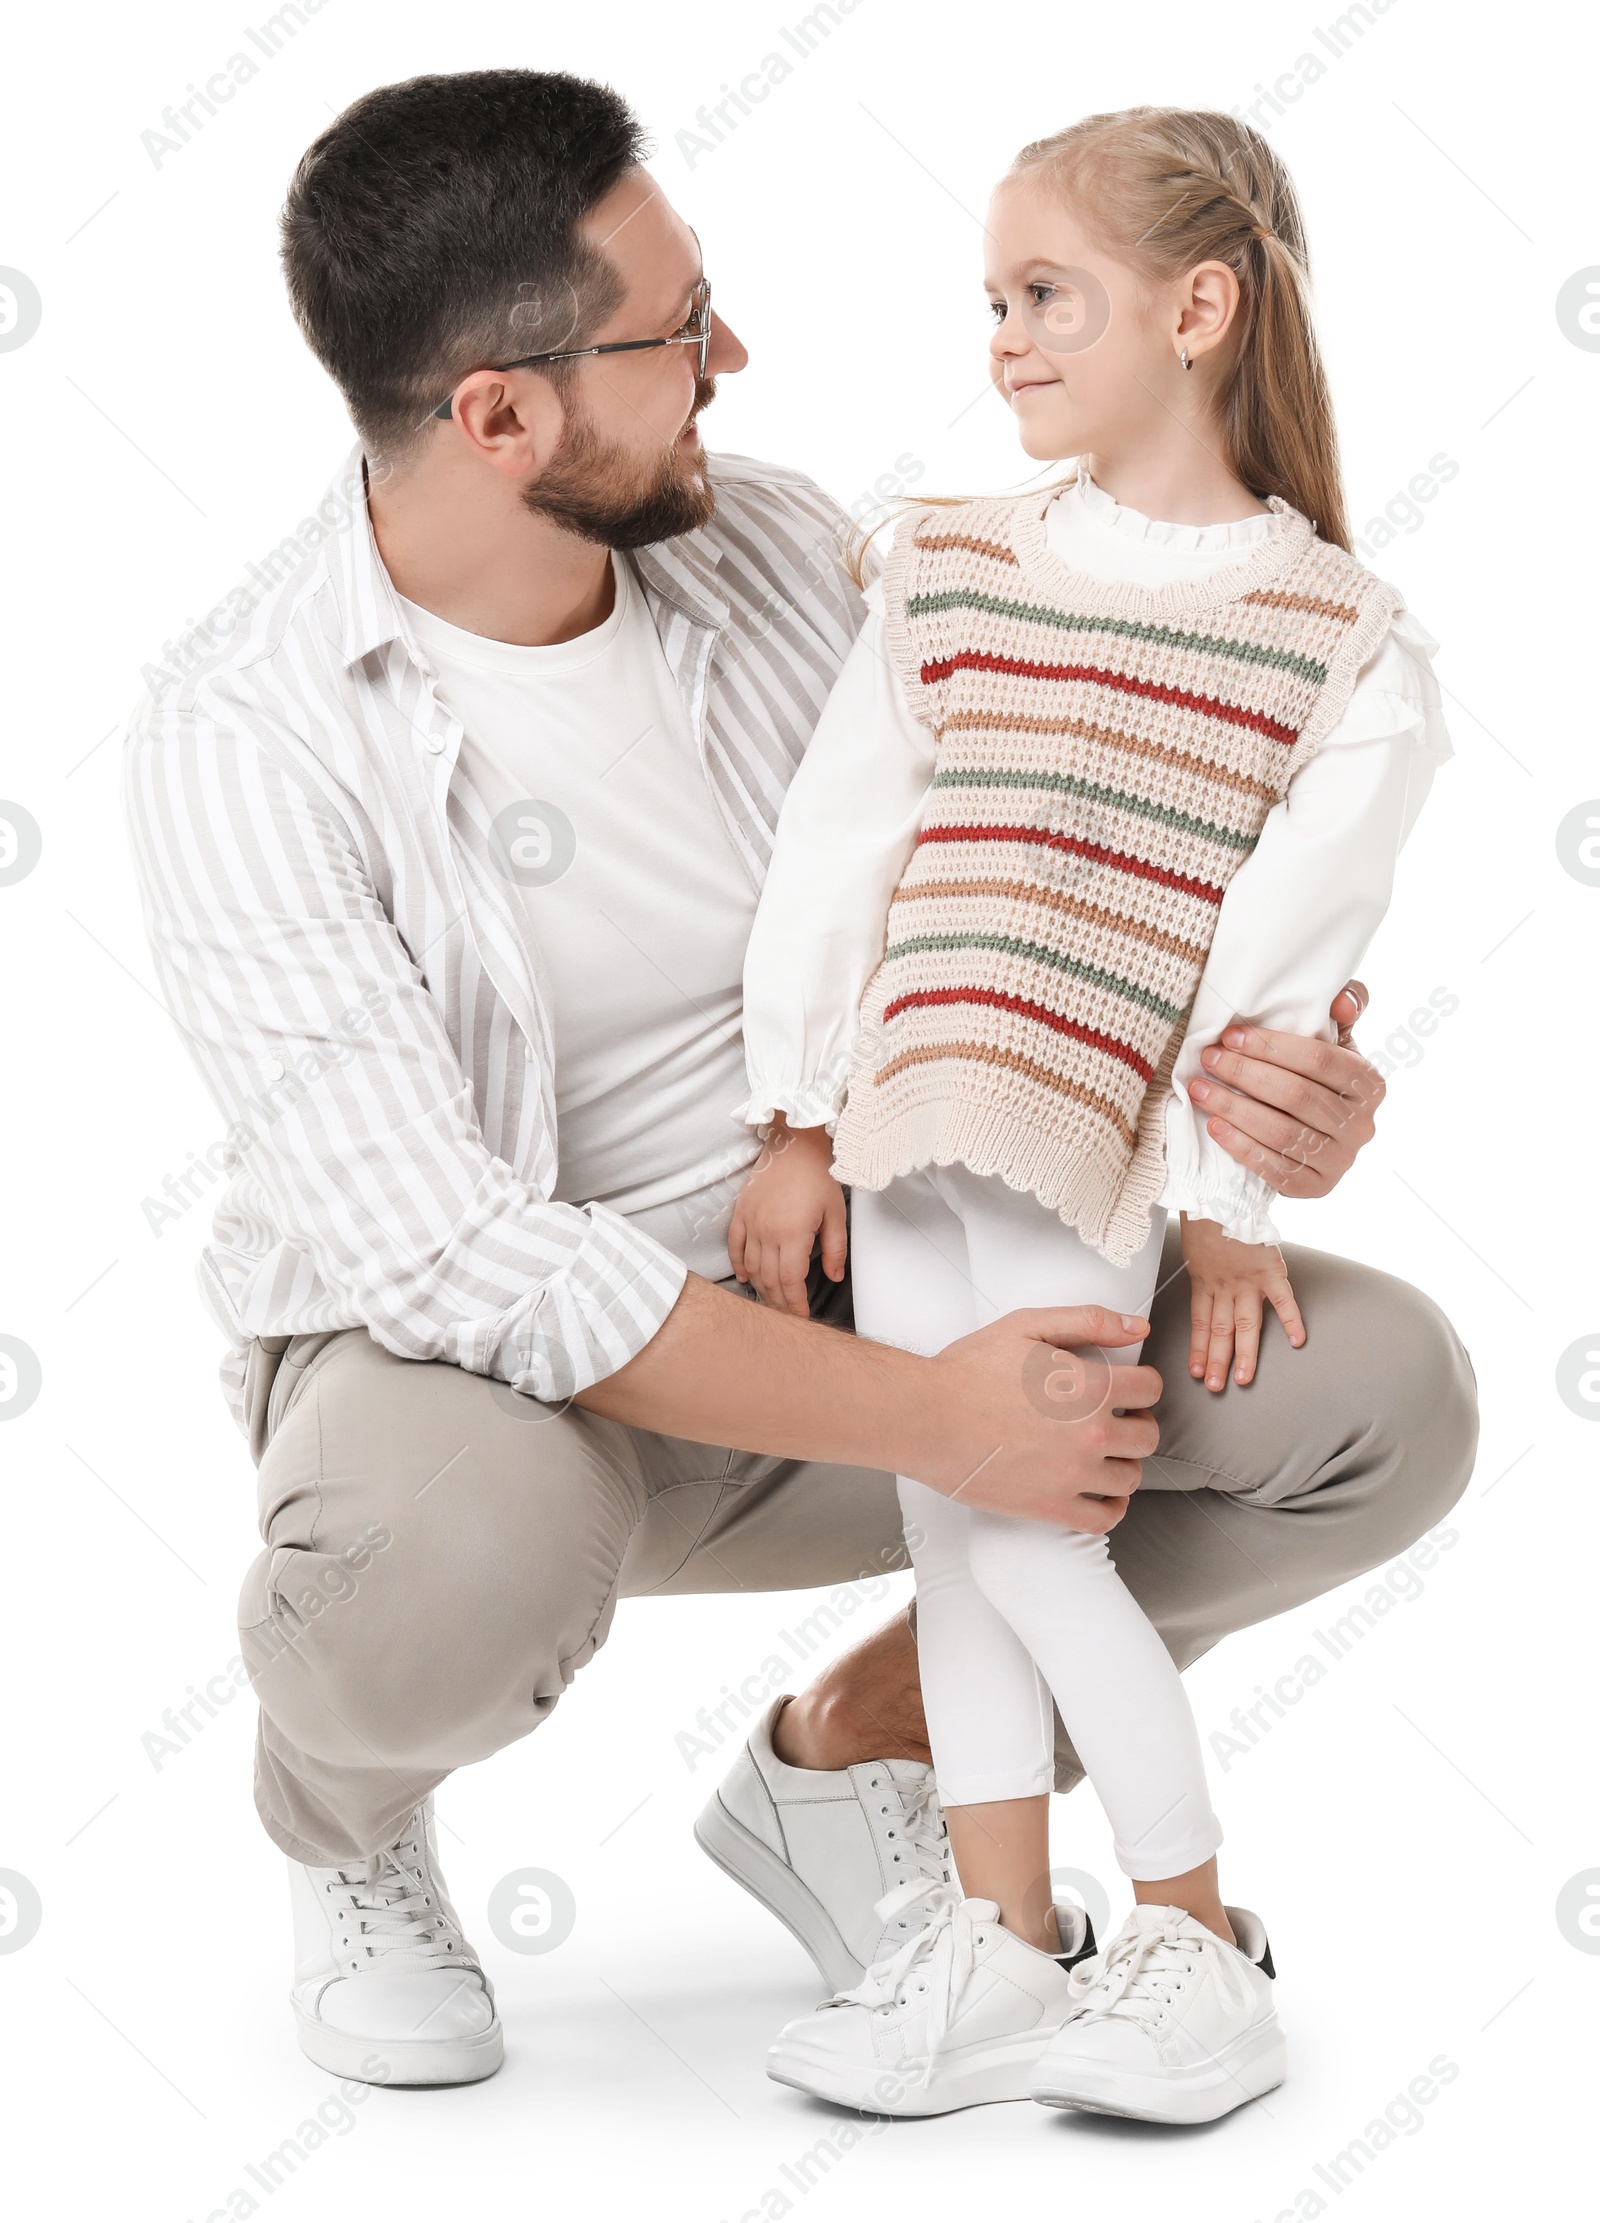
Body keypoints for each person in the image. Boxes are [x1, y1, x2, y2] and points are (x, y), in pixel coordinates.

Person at [121, 70, 1477, 2091]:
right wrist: (938, 1415)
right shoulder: (242, 731)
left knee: (1373, 1399)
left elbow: (1050, 872)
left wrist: (1263, 1083)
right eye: (674, 333)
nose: (730, 360)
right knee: (433, 1581)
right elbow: (463, 1257)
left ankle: (858, 1768)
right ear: (499, 414)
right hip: (501, 1394)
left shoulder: (767, 551)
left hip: (883, 1256)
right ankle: (349, 1813)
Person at [730, 105, 1451, 2124]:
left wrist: (1220, 1202)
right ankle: (998, 1938)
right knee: (951, 1529)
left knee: (1041, 1536)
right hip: (899, 1116)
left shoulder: (1329, 643)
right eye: (991, 301)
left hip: (1076, 1136)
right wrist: (792, 1111)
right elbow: (838, 845)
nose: (1003, 341)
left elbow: (1277, 975)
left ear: (1196, 307)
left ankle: (1193, 1937)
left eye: (1044, 295)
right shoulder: (947, 562)